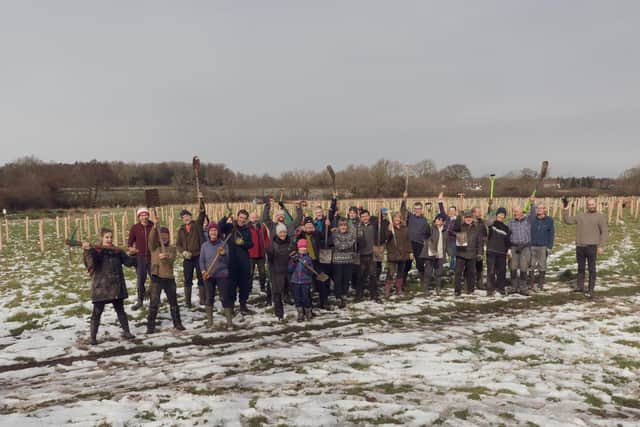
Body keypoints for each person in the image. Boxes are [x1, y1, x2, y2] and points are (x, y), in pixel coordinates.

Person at [83, 228, 137, 345]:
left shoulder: (116, 250)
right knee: (97, 312)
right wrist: (87, 251)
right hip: (101, 287)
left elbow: (128, 262)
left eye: (111, 237)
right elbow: (90, 263)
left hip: (116, 286)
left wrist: (134, 254)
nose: (109, 239)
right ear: (101, 238)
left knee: (120, 310)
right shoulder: (96, 251)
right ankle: (93, 337)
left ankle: (127, 332)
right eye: (107, 237)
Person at [562, 197, 608, 298]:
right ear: (586, 206)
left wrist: (601, 246)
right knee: (580, 268)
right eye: (589, 204)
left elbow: (604, 232)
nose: (591, 206)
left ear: (595, 205)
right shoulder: (580, 216)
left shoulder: (600, 217)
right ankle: (580, 287)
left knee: (592, 269)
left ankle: (591, 289)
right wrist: (565, 208)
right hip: (580, 246)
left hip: (592, 247)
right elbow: (567, 221)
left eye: (593, 204)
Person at [147, 221, 184, 334]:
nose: (164, 237)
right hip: (156, 278)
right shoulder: (154, 247)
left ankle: (177, 323)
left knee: (173, 302)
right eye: (161, 236)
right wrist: (154, 228)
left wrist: (166, 256)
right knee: (154, 303)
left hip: (168, 278)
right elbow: (150, 239)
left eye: (166, 235)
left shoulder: (172, 248)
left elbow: (172, 259)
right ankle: (150, 326)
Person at [218, 209, 254, 315]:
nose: (242, 220)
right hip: (231, 261)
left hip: (244, 262)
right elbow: (219, 228)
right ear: (237, 217)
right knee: (231, 285)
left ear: (247, 220)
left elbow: (251, 244)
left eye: (244, 218)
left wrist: (243, 243)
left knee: (244, 285)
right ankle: (232, 307)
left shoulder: (247, 230)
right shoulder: (230, 227)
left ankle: (243, 305)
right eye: (241, 217)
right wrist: (226, 217)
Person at [199, 223, 233, 329]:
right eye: (211, 230)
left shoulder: (223, 244)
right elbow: (201, 261)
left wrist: (223, 254)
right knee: (209, 297)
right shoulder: (204, 246)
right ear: (208, 233)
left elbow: (228, 261)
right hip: (209, 275)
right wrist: (204, 271)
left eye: (215, 230)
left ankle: (229, 322)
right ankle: (210, 321)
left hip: (222, 275)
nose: (213, 232)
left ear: (218, 232)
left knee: (225, 297)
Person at [176, 195, 206, 308]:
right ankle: (188, 302)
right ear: (182, 219)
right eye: (183, 217)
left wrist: (201, 200)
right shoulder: (181, 230)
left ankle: (202, 299)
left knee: (201, 277)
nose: (186, 218)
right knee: (187, 279)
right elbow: (178, 244)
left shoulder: (197, 225)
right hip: (187, 258)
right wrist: (183, 252)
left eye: (187, 215)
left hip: (199, 256)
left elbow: (202, 213)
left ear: (190, 216)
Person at [400, 193, 430, 288]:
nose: (417, 210)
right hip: (409, 244)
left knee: (420, 264)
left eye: (419, 209)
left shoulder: (424, 220)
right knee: (407, 264)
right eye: (416, 209)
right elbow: (403, 210)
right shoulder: (410, 217)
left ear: (421, 209)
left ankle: (423, 281)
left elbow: (427, 233)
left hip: (419, 245)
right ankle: (402, 283)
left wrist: (425, 241)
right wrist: (404, 199)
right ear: (413, 209)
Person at [266, 223, 294, 321]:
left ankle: (303, 310)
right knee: (277, 293)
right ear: (277, 233)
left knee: (292, 291)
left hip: (288, 271)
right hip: (276, 272)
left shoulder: (290, 242)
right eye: (281, 232)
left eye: (284, 232)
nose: (283, 234)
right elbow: (270, 259)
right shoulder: (273, 244)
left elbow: (293, 254)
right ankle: (279, 314)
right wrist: (269, 254)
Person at [127, 207, 154, 310]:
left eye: (146, 215)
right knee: (140, 280)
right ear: (139, 217)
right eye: (142, 215)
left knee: (155, 279)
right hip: (140, 258)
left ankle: (154, 298)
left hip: (152, 257)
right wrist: (131, 249)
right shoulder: (135, 228)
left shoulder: (153, 226)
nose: (144, 217)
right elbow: (130, 242)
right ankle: (140, 301)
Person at [508, 200, 536, 295]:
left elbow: (533, 215)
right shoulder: (511, 222)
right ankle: (514, 287)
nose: (515, 213)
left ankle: (523, 288)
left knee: (524, 267)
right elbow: (508, 235)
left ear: (521, 212)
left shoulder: (528, 220)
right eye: (514, 211)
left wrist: (532, 204)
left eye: (517, 211)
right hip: (514, 247)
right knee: (513, 267)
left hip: (525, 247)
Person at [356, 209, 384, 303]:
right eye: (362, 216)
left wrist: (380, 214)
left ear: (369, 216)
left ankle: (374, 295)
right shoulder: (358, 227)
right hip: (361, 254)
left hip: (372, 254)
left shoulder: (374, 226)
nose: (364, 218)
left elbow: (381, 221)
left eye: (366, 216)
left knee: (373, 275)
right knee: (361, 276)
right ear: (360, 218)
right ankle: (359, 294)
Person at [452, 210, 483, 296]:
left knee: (471, 273)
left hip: (472, 253)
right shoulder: (460, 227)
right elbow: (455, 227)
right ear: (464, 218)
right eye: (466, 218)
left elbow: (480, 241)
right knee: (458, 273)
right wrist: (459, 216)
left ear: (472, 219)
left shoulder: (477, 228)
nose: (468, 219)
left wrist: (480, 253)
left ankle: (470, 290)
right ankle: (457, 290)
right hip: (461, 253)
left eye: (470, 218)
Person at [383, 212, 412, 298]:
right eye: (395, 218)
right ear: (392, 219)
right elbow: (386, 238)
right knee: (391, 272)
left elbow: (408, 241)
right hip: (393, 254)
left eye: (398, 218)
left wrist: (410, 252)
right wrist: (389, 230)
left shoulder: (405, 228)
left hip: (403, 254)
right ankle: (387, 290)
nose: (397, 219)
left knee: (401, 273)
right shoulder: (390, 228)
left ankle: (399, 289)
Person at [485, 206, 511, 296]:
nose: (501, 215)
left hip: (502, 252)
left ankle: (501, 288)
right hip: (491, 251)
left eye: (503, 214)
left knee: (502, 271)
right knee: (491, 271)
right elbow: (487, 221)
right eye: (500, 213)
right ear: (496, 214)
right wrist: (489, 209)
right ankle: (490, 288)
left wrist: (508, 250)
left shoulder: (506, 228)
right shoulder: (492, 224)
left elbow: (507, 241)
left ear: (505, 216)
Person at [420, 213, 448, 294]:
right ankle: (426, 288)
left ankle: (438, 287)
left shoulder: (445, 231)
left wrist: (448, 252)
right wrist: (427, 223)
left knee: (439, 272)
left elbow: (446, 242)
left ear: (443, 222)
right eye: (437, 219)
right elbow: (425, 234)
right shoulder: (431, 228)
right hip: (430, 254)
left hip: (440, 254)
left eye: (440, 220)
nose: (438, 221)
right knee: (428, 272)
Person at [331, 218, 356, 307]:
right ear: (339, 226)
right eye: (341, 225)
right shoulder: (335, 234)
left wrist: (344, 244)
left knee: (347, 277)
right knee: (338, 278)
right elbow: (337, 245)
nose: (343, 227)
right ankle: (338, 296)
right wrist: (346, 244)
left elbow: (352, 242)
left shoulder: (351, 233)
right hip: (338, 260)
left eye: (344, 225)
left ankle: (344, 294)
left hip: (348, 259)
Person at [530, 202, 555, 291]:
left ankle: (541, 284)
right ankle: (531, 284)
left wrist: (549, 246)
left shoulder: (549, 220)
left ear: (544, 209)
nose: (539, 210)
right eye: (538, 208)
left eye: (541, 208)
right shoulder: (533, 220)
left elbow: (551, 234)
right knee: (531, 265)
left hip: (543, 246)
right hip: (532, 246)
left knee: (542, 265)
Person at [289, 239, 314, 322]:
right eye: (301, 248)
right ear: (298, 249)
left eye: (304, 248)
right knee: (297, 297)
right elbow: (289, 269)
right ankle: (300, 312)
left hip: (305, 281)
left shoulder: (309, 259)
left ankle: (308, 311)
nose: (303, 250)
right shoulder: (294, 258)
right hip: (295, 281)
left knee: (305, 297)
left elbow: (311, 272)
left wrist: (307, 267)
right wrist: (293, 262)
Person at [248, 211, 270, 297]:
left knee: (262, 272)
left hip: (261, 253)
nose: (254, 219)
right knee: (250, 272)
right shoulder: (247, 227)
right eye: (252, 217)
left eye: (255, 217)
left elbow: (266, 238)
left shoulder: (262, 226)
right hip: (251, 254)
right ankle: (249, 288)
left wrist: (267, 248)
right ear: (250, 218)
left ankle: (262, 287)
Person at [438, 193, 458, 273]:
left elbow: (458, 231)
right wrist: (440, 201)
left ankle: (452, 268)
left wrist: (450, 231)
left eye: (453, 211)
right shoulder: (447, 218)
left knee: (453, 255)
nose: (451, 212)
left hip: (453, 239)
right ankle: (442, 267)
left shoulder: (457, 220)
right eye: (450, 211)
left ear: (455, 211)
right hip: (444, 239)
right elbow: (442, 211)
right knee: (442, 253)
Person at [472, 206, 488, 290]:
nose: (480, 213)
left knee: (479, 266)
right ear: (473, 213)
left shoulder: (482, 222)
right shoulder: (469, 222)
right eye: (478, 212)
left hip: (480, 248)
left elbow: (485, 234)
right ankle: (470, 283)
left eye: (480, 212)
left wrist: (484, 243)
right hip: (471, 248)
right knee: (470, 266)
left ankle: (480, 283)